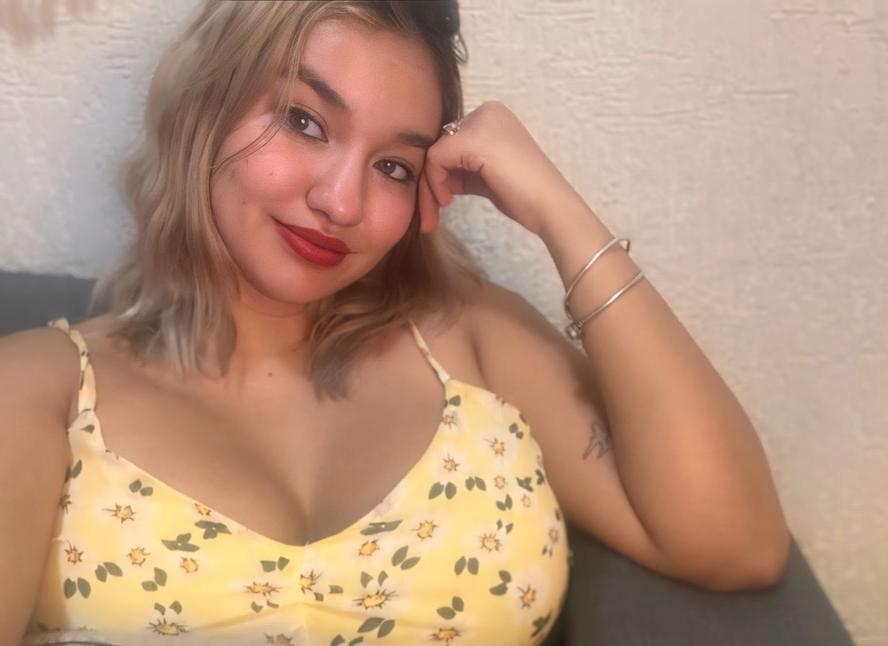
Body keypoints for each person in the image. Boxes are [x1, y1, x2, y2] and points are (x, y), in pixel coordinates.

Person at [0, 1, 791, 644]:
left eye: (393, 167)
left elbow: (739, 544)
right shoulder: (40, 389)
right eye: (305, 120)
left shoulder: (473, 341)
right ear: (204, 103)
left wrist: (559, 211)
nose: (342, 202)